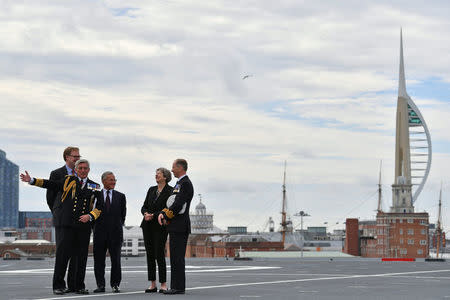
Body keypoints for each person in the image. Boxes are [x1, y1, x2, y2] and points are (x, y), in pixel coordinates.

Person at [20, 159, 102, 295]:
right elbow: (50, 184)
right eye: (80, 168)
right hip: (66, 224)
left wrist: (91, 216)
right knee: (62, 256)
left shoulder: (95, 186)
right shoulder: (67, 181)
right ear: (75, 170)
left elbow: (100, 206)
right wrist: (32, 180)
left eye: (85, 168)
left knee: (81, 257)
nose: (82, 170)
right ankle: (58, 285)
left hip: (83, 226)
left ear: (89, 170)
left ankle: (78, 286)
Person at [46, 146, 80, 293]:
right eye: (75, 156)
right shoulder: (56, 174)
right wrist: (58, 212)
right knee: (62, 254)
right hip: (63, 220)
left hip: (78, 221)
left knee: (76, 255)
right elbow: (50, 197)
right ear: (67, 157)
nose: (77, 159)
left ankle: (73, 285)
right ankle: (58, 285)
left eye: (79, 156)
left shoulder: (80, 174)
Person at [158, 159, 194, 295]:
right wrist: (163, 213)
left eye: (173, 167)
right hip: (175, 225)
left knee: (177, 257)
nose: (171, 170)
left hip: (180, 226)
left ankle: (178, 287)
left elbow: (178, 204)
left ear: (180, 168)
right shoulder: (179, 183)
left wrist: (166, 216)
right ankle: (175, 286)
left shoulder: (185, 184)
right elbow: (171, 202)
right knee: (174, 257)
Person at [93, 171, 127, 294]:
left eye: (114, 180)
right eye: (110, 180)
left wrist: (116, 226)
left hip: (115, 234)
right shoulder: (96, 195)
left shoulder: (121, 196)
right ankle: (100, 285)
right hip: (99, 233)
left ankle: (115, 284)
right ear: (103, 181)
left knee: (116, 261)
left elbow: (123, 216)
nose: (113, 182)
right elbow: (92, 213)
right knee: (99, 261)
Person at [140, 168, 173, 293]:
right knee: (150, 255)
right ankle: (152, 283)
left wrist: (153, 214)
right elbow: (144, 206)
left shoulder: (170, 191)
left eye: (158, 174)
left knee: (159, 254)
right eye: (156, 174)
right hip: (147, 224)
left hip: (160, 225)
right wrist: (145, 213)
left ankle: (163, 284)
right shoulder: (151, 189)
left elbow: (168, 208)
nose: (156, 176)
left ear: (165, 177)